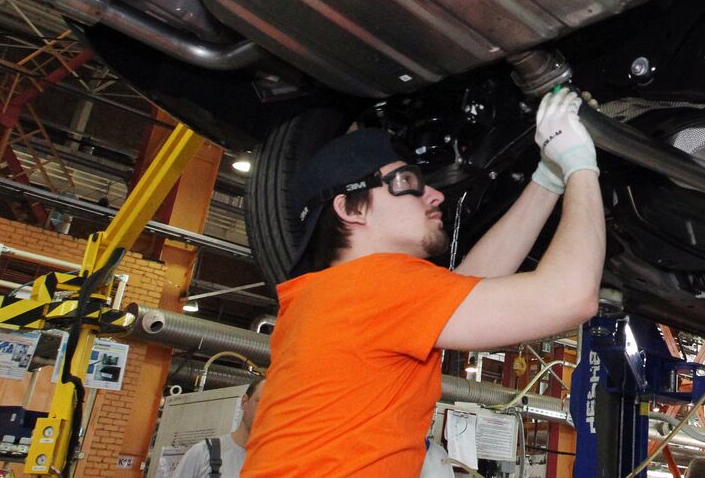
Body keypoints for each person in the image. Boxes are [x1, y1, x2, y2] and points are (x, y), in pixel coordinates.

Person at [242, 87, 604, 477]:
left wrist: (548, 178)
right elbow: (571, 297)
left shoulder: (332, 296)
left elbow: (469, 285)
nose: (433, 194)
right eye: (406, 181)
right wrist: (580, 164)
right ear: (350, 208)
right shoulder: (371, 287)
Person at [170, 377, 264, 478]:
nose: (267, 411)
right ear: (244, 402)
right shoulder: (204, 454)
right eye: (263, 402)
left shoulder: (276, 463)